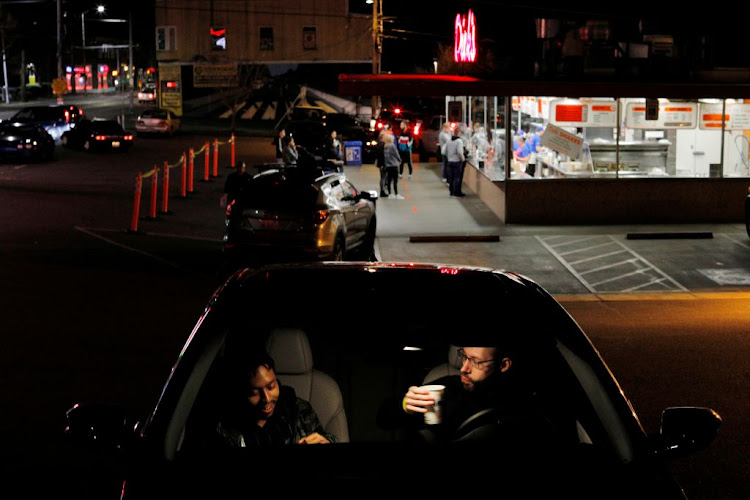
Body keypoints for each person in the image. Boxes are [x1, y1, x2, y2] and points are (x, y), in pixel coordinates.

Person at [214, 351, 336, 447]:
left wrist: (326, 442)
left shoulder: (298, 409)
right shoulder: (226, 429)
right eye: (254, 393)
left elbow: (327, 438)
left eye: (271, 387)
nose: (266, 398)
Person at [443, 127, 465, 198]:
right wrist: (462, 159)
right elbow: (459, 152)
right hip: (457, 161)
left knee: (451, 178)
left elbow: (444, 151)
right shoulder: (459, 141)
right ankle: (456, 192)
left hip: (450, 161)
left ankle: (451, 192)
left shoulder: (449, 141)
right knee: (457, 177)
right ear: (459, 133)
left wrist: (448, 157)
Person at [383, 133, 403, 199]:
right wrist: (400, 160)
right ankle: (396, 194)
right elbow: (396, 154)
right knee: (395, 180)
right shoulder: (392, 146)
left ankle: (390, 194)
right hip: (394, 165)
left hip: (388, 165)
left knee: (389, 180)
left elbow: (385, 157)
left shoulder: (385, 146)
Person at [376, 130, 389, 197]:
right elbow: (381, 155)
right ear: (383, 136)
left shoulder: (379, 143)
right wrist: (382, 164)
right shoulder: (382, 144)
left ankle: (382, 190)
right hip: (382, 164)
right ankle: (382, 191)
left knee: (383, 177)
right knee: (383, 177)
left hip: (381, 163)